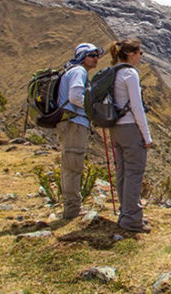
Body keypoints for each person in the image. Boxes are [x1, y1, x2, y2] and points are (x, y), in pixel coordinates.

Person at [108, 39, 153, 233]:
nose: (141, 56)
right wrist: (147, 136)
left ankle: (125, 215)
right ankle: (133, 221)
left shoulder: (114, 72)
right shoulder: (130, 74)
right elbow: (137, 107)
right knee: (134, 173)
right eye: (140, 53)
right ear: (132, 54)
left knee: (123, 172)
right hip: (130, 128)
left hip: (115, 128)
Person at [56, 43, 100, 220]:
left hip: (71, 123)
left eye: (96, 55)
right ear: (83, 57)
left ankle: (72, 205)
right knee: (73, 165)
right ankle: (73, 209)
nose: (96, 58)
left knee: (71, 164)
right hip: (74, 123)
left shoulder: (73, 71)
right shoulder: (79, 72)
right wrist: (93, 108)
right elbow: (75, 96)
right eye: (91, 55)